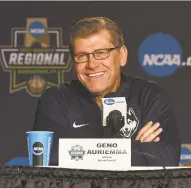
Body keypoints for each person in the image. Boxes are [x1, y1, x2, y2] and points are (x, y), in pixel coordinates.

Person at [33, 16, 181, 166]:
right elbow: (48, 163)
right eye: (82, 56)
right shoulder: (56, 100)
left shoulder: (150, 96)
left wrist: (77, 154)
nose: (92, 64)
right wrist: (135, 147)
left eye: (101, 53)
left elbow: (164, 160)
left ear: (122, 56)